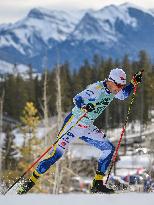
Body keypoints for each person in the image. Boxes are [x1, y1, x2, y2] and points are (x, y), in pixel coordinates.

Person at [17, 68, 142, 194]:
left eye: (122, 85)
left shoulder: (115, 90)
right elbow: (77, 98)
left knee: (109, 149)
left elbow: (124, 95)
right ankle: (28, 183)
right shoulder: (96, 88)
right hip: (74, 124)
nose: (120, 88)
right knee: (56, 155)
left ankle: (97, 184)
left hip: (87, 127)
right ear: (110, 81)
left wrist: (133, 83)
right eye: (119, 85)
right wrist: (84, 106)